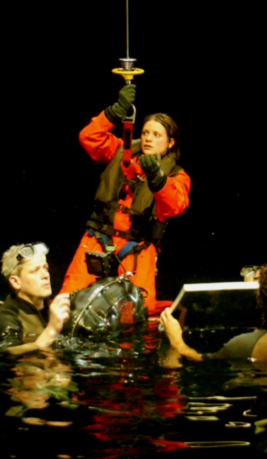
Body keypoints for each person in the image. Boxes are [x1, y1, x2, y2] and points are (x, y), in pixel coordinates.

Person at [59, 84, 191, 315]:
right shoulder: (122, 150)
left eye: (157, 135)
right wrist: (116, 111)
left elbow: (175, 205)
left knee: (136, 315)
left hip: (136, 252)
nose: (148, 138)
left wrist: (157, 179)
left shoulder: (176, 175)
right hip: (96, 242)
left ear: (170, 143)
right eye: (146, 132)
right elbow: (89, 137)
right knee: (67, 306)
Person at [0, 243, 71, 355]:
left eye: (46, 268)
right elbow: (6, 357)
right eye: (35, 271)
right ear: (16, 282)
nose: (45, 275)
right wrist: (52, 330)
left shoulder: (53, 311)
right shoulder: (4, 320)